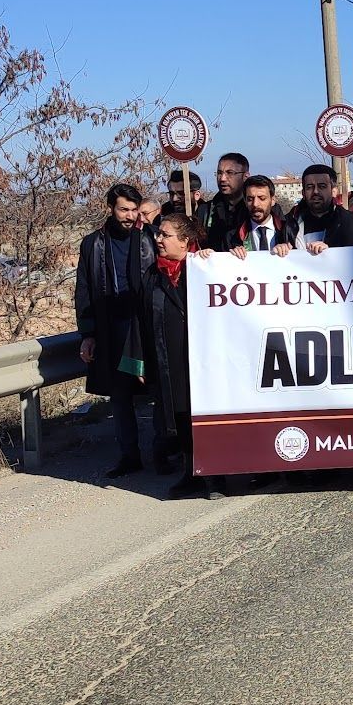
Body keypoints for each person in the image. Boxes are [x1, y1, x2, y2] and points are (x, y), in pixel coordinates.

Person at [121, 213, 217, 498]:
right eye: (158, 234)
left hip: (202, 359)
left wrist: (214, 261)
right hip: (169, 358)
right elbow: (140, 319)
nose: (158, 239)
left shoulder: (204, 269)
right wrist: (139, 360)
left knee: (206, 417)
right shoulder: (153, 275)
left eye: (165, 235)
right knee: (180, 416)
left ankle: (216, 476)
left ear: (186, 241)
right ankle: (190, 473)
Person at [75, 183, 156, 478]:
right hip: (113, 330)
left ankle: (163, 452)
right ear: (110, 208)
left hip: (145, 326)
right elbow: (84, 290)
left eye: (135, 209)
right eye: (124, 209)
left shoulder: (148, 237)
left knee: (156, 390)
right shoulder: (93, 244)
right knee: (120, 396)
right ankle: (129, 456)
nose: (130, 215)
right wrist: (88, 334)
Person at [289, 164, 353, 251]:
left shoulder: (352, 224)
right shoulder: (289, 225)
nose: (315, 191)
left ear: (334, 191)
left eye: (322, 186)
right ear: (303, 193)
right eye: (310, 187)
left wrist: (330, 252)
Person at [221, 175, 294, 254]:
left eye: (262, 198)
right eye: (250, 199)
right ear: (245, 202)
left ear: (272, 200)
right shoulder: (232, 237)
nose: (255, 204)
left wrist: (290, 252)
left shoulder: (291, 232)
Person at [200, 152, 252, 251]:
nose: (223, 179)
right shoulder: (206, 211)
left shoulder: (256, 209)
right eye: (219, 173)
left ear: (245, 176)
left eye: (230, 173)